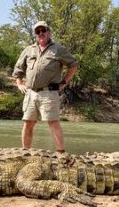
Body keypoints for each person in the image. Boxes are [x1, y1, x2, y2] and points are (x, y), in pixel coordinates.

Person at [12, 21, 79, 153]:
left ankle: (61, 155)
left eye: (43, 30)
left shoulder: (58, 49)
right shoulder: (29, 49)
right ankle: (25, 153)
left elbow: (74, 64)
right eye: (38, 31)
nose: (41, 33)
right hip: (30, 93)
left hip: (49, 93)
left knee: (53, 123)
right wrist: (19, 83)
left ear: (49, 32)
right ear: (35, 34)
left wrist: (64, 82)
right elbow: (18, 69)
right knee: (28, 123)